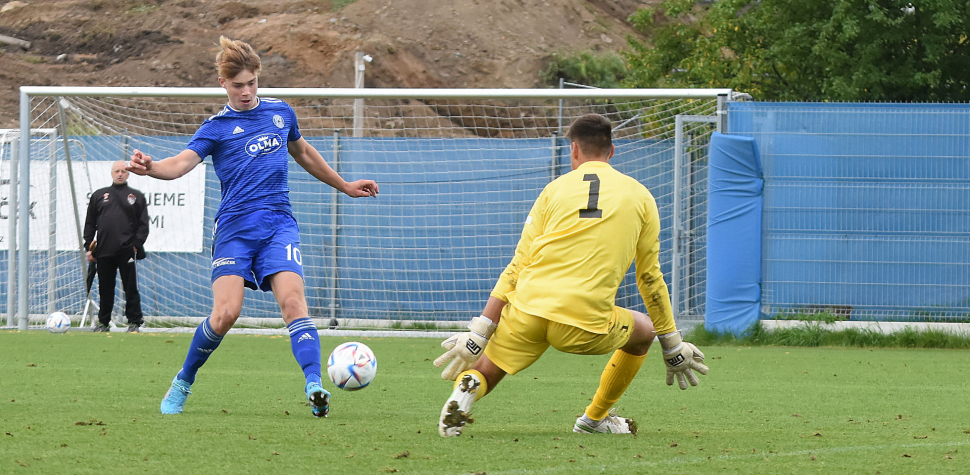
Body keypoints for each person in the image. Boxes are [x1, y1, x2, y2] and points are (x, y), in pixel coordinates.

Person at [126, 36, 379, 418]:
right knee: (226, 314)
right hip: (235, 229)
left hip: (279, 224)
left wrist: (343, 185)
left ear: (258, 78)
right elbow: (180, 164)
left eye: (251, 83)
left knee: (293, 302)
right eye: (238, 85)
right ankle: (183, 380)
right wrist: (152, 168)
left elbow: (304, 152)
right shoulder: (216, 128)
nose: (246, 92)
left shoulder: (280, 114)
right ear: (223, 85)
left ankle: (314, 385)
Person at [434, 113, 709, 437]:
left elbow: (518, 264)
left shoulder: (553, 190)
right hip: (583, 320)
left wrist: (481, 331)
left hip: (529, 309)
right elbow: (649, 278)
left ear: (574, 149)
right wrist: (671, 343)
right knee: (644, 332)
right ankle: (593, 419)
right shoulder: (641, 196)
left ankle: (468, 387)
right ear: (612, 151)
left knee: (490, 368)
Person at [83, 160, 150, 333]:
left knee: (130, 288)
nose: (120, 174)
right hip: (104, 250)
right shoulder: (99, 195)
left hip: (127, 250)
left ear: (128, 174)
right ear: (111, 174)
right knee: (105, 289)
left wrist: (136, 245)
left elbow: (143, 225)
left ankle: (134, 322)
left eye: (123, 171)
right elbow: (90, 223)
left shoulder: (136, 196)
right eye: (116, 171)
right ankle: (103, 323)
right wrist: (89, 247)